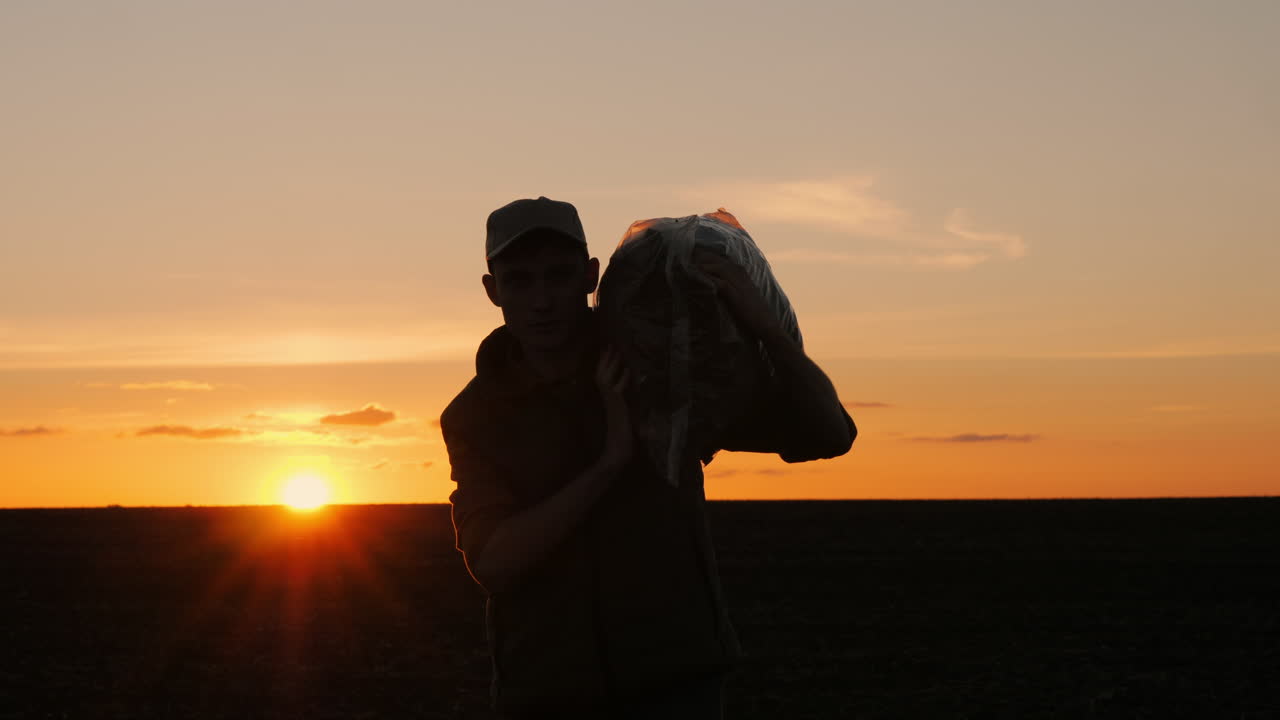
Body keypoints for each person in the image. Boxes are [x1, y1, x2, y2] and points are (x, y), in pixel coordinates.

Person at [441, 196, 855, 719]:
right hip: (547, 690)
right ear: (492, 290)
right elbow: (495, 562)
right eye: (520, 281)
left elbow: (828, 436)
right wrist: (610, 463)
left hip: (676, 685)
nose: (541, 300)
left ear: (591, 276)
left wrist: (766, 329)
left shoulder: (662, 363)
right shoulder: (476, 414)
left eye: (559, 275)